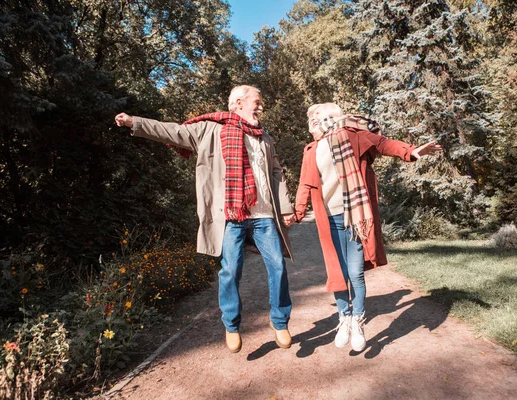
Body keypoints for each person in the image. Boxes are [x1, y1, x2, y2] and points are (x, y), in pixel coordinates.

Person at [114, 85, 297, 353]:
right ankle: (232, 325)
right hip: (231, 216)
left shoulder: (264, 137)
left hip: (264, 213)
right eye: (256, 102)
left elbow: (277, 172)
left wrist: (285, 205)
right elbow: (173, 131)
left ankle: (280, 321)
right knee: (231, 270)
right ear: (238, 104)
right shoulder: (211, 130)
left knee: (278, 266)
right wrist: (134, 122)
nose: (260, 106)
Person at [294, 103, 442, 352]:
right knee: (337, 273)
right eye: (320, 117)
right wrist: (296, 214)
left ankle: (358, 320)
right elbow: (305, 185)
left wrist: (413, 152)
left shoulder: (353, 135)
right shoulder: (312, 150)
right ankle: (344, 318)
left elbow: (383, 144)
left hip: (355, 216)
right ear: (313, 123)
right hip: (329, 219)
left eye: (332, 115)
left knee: (355, 273)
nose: (327, 121)